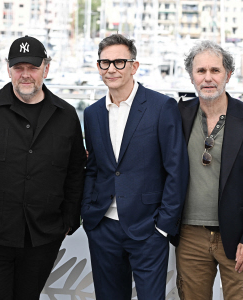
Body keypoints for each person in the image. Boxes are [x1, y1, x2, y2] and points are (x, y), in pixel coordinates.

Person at [0, 35, 86, 300]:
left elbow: (74, 171)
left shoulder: (67, 115)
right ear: (8, 69)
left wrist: (68, 221)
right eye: (18, 67)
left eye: (33, 67)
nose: (26, 75)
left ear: (46, 69)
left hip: (42, 239)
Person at [81, 34, 189, 300]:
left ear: (134, 66)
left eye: (119, 62)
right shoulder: (93, 113)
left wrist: (163, 225)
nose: (111, 69)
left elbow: (177, 170)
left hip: (148, 228)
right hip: (103, 226)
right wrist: (88, 213)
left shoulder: (161, 107)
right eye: (104, 63)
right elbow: (93, 168)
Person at [173, 40, 243, 299]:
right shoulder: (177, 115)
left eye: (215, 71)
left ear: (228, 74)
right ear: (191, 76)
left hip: (239, 237)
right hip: (189, 235)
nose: (208, 78)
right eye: (201, 71)